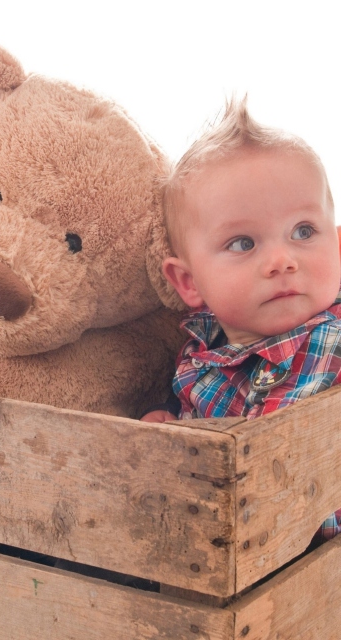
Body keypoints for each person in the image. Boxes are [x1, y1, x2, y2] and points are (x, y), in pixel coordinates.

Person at [142, 98, 341, 541]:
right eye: (243, 243)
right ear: (189, 282)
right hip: (221, 544)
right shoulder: (200, 352)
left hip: (308, 551)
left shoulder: (333, 338)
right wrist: (172, 433)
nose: (281, 260)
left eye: (304, 232)